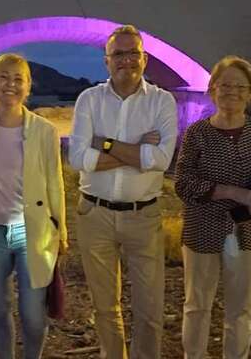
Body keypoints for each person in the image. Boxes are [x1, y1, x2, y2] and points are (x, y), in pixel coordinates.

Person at [68, 24, 178, 359]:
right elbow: (78, 158)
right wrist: (136, 151)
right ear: (106, 60)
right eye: (118, 54)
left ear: (144, 59)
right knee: (105, 307)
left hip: (143, 215)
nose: (126, 60)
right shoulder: (89, 99)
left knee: (149, 308)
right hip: (94, 214)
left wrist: (105, 144)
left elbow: (160, 160)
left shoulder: (162, 101)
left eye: (133, 53)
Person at [174, 55, 251, 359]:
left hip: (250, 232)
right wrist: (233, 192)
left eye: (240, 87)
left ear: (250, 93)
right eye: (225, 85)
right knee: (197, 306)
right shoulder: (197, 133)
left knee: (240, 309)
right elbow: (183, 183)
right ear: (213, 89)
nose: (232, 92)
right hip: (202, 231)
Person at [0, 53, 67, 359]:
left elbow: (55, 182)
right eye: (3, 77)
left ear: (27, 86)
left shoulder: (44, 130)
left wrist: (61, 230)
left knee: (33, 316)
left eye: (17, 79)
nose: (10, 84)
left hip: (31, 230)